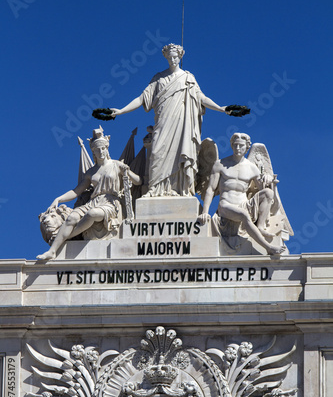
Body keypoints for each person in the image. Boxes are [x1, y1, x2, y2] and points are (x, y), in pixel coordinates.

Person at [110, 43, 231, 197]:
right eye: (169, 57)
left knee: (181, 152)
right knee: (156, 153)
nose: (173, 60)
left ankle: (180, 189)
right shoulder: (158, 78)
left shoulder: (188, 78)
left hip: (182, 124)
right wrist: (121, 111)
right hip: (163, 122)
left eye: (175, 57)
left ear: (180, 56)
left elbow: (201, 98)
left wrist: (220, 108)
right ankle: (154, 189)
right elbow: (142, 98)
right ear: (166, 57)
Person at [37, 127, 142, 260]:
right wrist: (58, 199)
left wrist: (128, 171)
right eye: (98, 149)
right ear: (93, 151)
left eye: (103, 148)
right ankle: (52, 251)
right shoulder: (91, 172)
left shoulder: (116, 165)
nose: (101, 151)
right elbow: (76, 191)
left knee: (92, 214)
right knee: (71, 218)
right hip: (94, 202)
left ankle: (67, 236)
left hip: (110, 203)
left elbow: (138, 181)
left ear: (107, 148)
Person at [197, 132, 285, 255]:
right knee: (243, 214)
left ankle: (260, 227)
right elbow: (211, 189)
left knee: (268, 193)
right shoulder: (220, 164)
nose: (238, 148)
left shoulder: (252, 167)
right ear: (232, 145)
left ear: (247, 147)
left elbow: (262, 191)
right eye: (235, 145)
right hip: (226, 205)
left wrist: (268, 178)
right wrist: (205, 212)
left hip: (243, 204)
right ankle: (268, 247)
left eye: (241, 146)